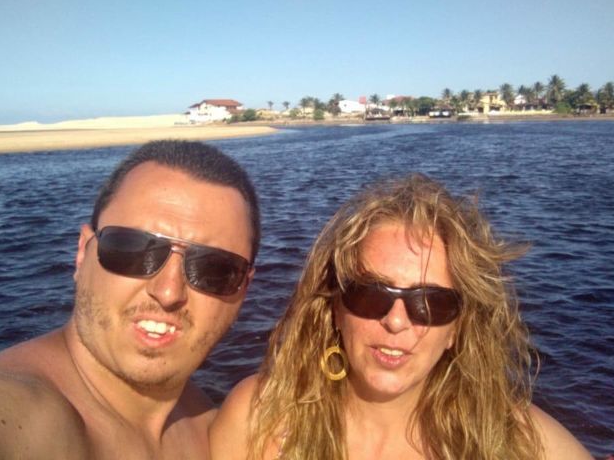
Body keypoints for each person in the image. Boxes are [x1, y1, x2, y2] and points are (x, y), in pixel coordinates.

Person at [210, 173, 593, 460]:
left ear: (458, 328)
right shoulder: (259, 418)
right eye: (370, 294)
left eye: (431, 303)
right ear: (336, 308)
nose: (396, 321)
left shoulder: (517, 441)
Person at [0, 139, 260, 459]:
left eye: (214, 268)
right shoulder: (20, 410)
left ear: (244, 288)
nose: (168, 292)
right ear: (82, 253)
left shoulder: (212, 428)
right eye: (132, 249)